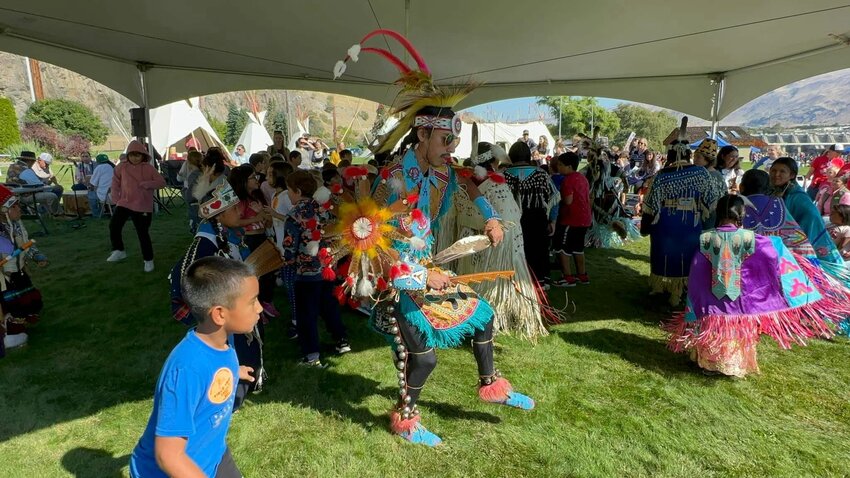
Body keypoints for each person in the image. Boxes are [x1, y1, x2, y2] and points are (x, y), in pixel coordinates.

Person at [338, 29, 533, 446]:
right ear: (422, 136)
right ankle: (407, 419)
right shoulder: (391, 181)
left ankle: (491, 387)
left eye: (455, 140)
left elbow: (471, 185)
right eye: (446, 140)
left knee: (482, 316)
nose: (451, 147)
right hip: (399, 282)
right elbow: (374, 241)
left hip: (427, 270)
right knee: (422, 358)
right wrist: (423, 278)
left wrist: (491, 220)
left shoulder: (444, 171)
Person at [663, 195, 846, 377]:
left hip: (712, 302)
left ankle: (708, 363)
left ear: (718, 213)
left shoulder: (706, 238)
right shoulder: (751, 238)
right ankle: (732, 365)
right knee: (734, 330)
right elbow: (771, 253)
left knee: (715, 328)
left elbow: (697, 269)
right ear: (741, 215)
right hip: (741, 303)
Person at [131, 256, 259, 478]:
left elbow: (214, 368)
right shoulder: (186, 369)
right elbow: (168, 455)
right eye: (252, 301)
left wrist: (234, 372)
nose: (259, 308)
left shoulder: (221, 341)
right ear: (220, 314)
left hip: (213, 455)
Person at [454, 142, 551, 341]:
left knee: (476, 280)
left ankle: (473, 315)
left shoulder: (463, 179)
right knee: (492, 282)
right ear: (494, 159)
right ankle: (489, 319)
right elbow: (512, 215)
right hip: (496, 239)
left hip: (470, 240)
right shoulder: (496, 181)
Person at [640, 121, 722, 306]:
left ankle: (662, 287)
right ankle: (679, 292)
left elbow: (651, 206)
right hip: (690, 222)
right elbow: (711, 200)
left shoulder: (661, 176)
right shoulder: (701, 174)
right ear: (687, 153)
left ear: (670, 154)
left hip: (665, 223)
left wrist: (645, 226)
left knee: (664, 254)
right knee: (686, 255)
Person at [281, 170, 349, 367]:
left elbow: (290, 247)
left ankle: (311, 355)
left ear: (298, 190)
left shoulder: (294, 216)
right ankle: (342, 340)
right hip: (327, 267)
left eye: (289, 191)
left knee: (306, 314)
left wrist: (286, 258)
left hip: (306, 273)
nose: (289, 195)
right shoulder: (323, 208)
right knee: (329, 306)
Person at [503, 141, 559, 289]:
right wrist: (552, 221)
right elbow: (554, 197)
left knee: (516, 250)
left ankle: (517, 282)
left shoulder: (504, 175)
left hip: (512, 219)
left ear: (511, 156)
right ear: (528, 155)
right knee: (538, 249)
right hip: (538, 218)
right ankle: (539, 281)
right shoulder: (541, 173)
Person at [770, 157, 845, 266]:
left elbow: (812, 218)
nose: (776, 174)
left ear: (792, 175)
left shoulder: (798, 197)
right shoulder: (774, 191)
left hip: (803, 241)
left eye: (782, 171)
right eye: (773, 170)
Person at [0, 185, 48, 355]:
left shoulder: (17, 224)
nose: (19, 209)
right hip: (4, 277)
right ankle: (12, 333)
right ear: (3, 210)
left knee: (26, 300)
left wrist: (37, 256)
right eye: (14, 206)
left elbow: (25, 244)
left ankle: (20, 323)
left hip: (18, 272)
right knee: (10, 305)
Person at [106, 140, 166, 272]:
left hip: (142, 205)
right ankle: (118, 250)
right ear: (128, 155)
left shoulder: (149, 168)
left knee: (142, 233)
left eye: (137, 155)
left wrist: (148, 184)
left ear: (143, 155)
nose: (134, 158)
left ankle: (148, 260)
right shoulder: (121, 167)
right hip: (124, 202)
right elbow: (115, 183)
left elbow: (161, 182)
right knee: (114, 225)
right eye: (132, 155)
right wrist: (116, 199)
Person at [262, 162, 297, 339]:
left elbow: (295, 219)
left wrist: (274, 215)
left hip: (289, 248)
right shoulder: (277, 194)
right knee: (289, 284)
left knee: (292, 285)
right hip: (281, 246)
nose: (267, 178)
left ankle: (296, 321)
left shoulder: (285, 196)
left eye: (270, 174)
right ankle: (296, 318)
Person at [582, 140, 638, 248]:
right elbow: (622, 173)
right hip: (610, 196)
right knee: (615, 216)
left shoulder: (589, 168)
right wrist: (625, 187)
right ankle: (617, 225)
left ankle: (595, 241)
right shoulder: (609, 165)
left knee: (597, 221)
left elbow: (579, 176)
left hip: (595, 198)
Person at [552, 151, 591, 287]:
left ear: (569, 166)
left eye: (561, 165)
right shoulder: (582, 178)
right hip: (584, 219)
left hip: (571, 219)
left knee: (563, 248)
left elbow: (568, 200)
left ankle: (567, 277)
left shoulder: (567, 180)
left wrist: (557, 200)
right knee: (578, 248)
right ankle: (582, 275)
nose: (558, 167)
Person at [692, 139, 727, 229]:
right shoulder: (718, 174)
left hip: (708, 218)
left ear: (708, 160)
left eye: (698, 157)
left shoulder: (706, 176)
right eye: (694, 157)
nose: (694, 160)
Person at [88, 153, 115, 218]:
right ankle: (107, 209)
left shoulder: (99, 168)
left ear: (97, 161)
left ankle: (96, 214)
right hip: (115, 194)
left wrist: (90, 188)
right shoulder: (112, 167)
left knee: (91, 194)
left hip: (106, 196)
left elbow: (92, 183)